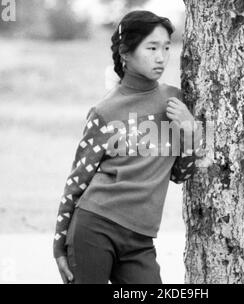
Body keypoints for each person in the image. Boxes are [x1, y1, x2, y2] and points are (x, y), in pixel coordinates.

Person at [53, 10, 204, 284]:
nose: (161, 57)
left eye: (166, 47)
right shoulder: (105, 111)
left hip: (140, 240)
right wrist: (58, 245)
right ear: (126, 53)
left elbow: (180, 175)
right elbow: (77, 180)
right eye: (152, 47)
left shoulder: (176, 101)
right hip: (94, 228)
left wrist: (191, 131)